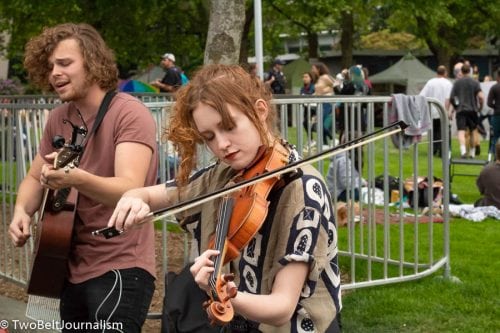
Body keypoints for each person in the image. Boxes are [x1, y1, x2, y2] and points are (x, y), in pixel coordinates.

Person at [108, 64, 342, 332]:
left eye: (229, 127)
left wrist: (224, 294)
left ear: (260, 112)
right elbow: (151, 194)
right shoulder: (224, 175)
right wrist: (134, 198)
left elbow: (282, 308)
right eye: (209, 137)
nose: (221, 145)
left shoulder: (302, 189)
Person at [8, 23, 158, 332]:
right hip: (67, 267)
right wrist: (22, 210)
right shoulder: (57, 118)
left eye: (64, 63)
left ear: (92, 62)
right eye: (50, 66)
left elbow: (129, 189)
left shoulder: (129, 113)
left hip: (121, 267)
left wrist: (75, 178)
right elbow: (34, 179)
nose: (54, 73)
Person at [450, 63, 485, 158]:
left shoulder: (457, 83)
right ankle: (472, 153)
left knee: (461, 131)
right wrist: (480, 107)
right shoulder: (475, 82)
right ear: (470, 71)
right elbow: (481, 97)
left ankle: (463, 151)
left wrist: (455, 107)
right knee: (473, 131)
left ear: (461, 71)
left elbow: (452, 98)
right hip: (472, 110)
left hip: (461, 110)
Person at [419, 65, 453, 156]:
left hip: (432, 111)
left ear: (437, 72)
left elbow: (422, 95)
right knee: (444, 132)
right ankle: (443, 151)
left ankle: (434, 149)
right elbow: (448, 99)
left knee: (434, 132)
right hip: (443, 110)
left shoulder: (430, 82)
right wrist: (446, 111)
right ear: (445, 72)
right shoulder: (448, 83)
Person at [311, 62, 335, 145]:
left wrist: (327, 91)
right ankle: (324, 144)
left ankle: (332, 139)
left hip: (327, 103)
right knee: (319, 124)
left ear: (319, 69)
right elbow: (318, 91)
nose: (312, 70)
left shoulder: (325, 77)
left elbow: (335, 84)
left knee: (320, 124)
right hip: (320, 103)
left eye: (313, 68)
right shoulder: (319, 78)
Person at [475, 141, 500, 209]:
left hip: (491, 205)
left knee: (478, 202)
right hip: (492, 205)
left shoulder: (486, 170)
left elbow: (481, 189)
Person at [487, 69, 500, 157]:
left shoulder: (494, 87)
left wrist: (495, 107)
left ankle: (495, 156)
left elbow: (489, 103)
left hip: (497, 115)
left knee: (495, 137)